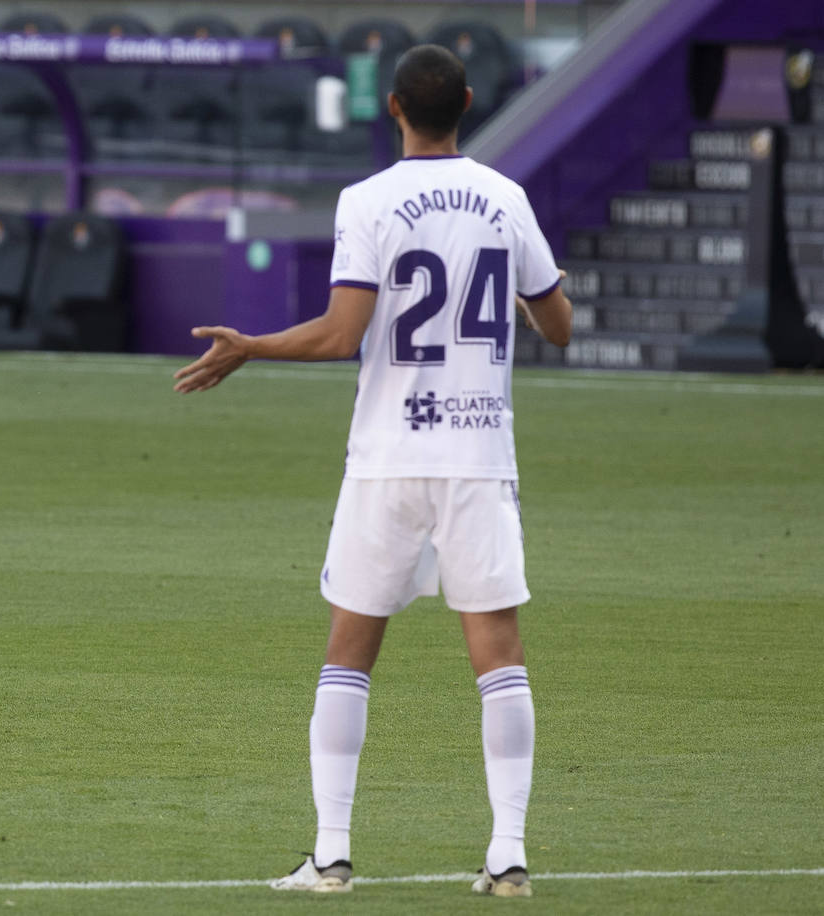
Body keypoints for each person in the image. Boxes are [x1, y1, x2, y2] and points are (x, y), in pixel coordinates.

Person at [174, 44, 572, 898]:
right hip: (477, 456)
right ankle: (508, 855)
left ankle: (332, 853)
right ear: (466, 101)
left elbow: (340, 334)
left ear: (393, 108)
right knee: (498, 655)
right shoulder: (507, 198)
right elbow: (560, 325)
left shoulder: (368, 200)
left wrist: (253, 346)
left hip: (390, 456)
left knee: (349, 654)